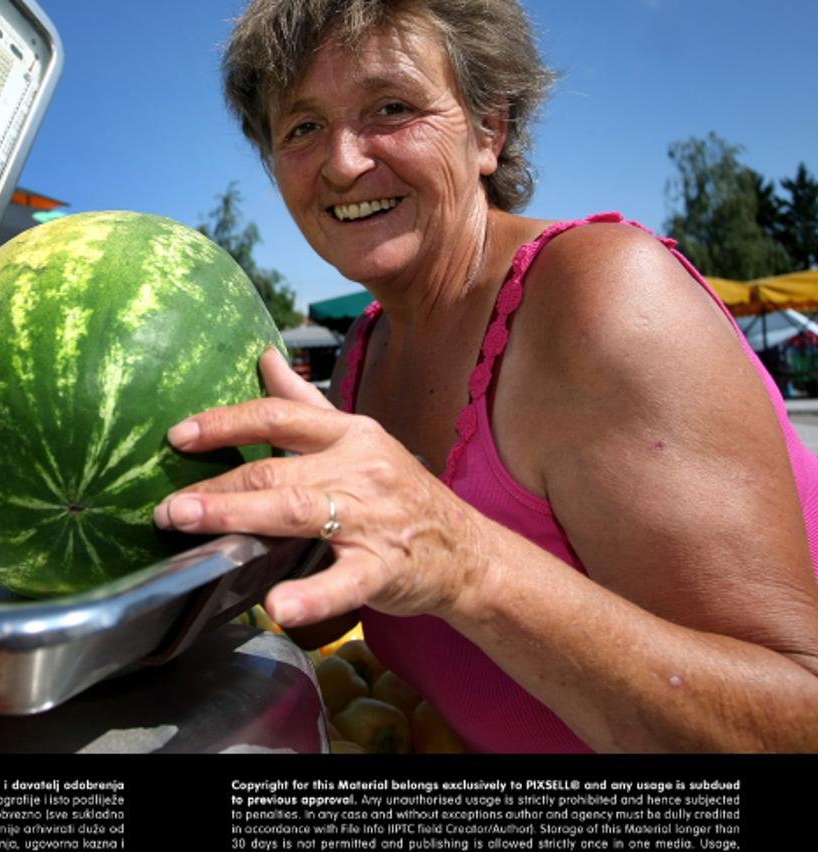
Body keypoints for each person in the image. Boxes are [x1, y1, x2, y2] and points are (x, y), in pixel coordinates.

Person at [153, 0, 818, 752]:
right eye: (302, 128)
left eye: (392, 107)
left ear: (488, 129)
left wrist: (463, 560)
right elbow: (341, 598)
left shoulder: (603, 298)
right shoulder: (366, 355)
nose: (342, 162)